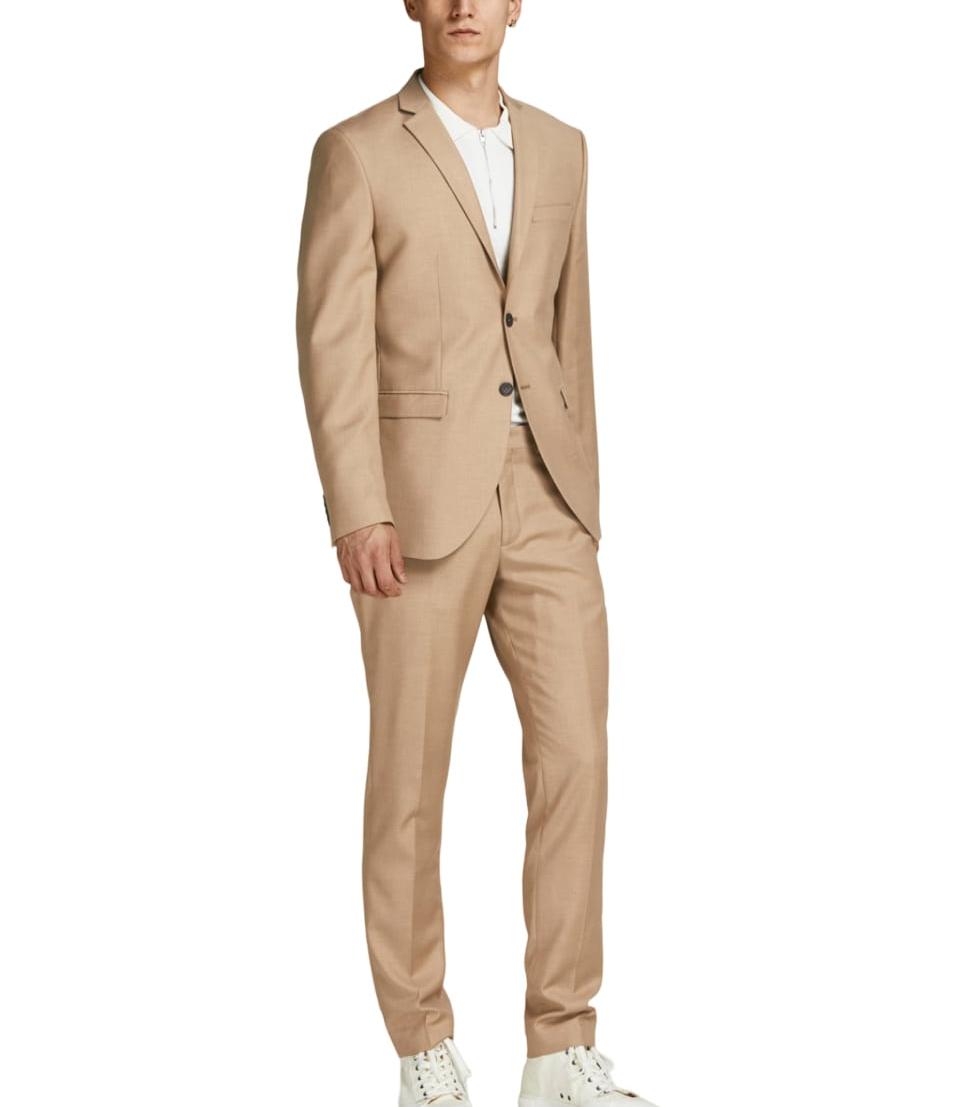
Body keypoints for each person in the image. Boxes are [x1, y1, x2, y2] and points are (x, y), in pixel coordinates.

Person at [296, 3, 658, 1105]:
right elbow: (329, 341)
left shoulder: (564, 148)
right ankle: (423, 1045)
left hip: (547, 488)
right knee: (411, 772)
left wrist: (584, 491)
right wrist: (358, 506)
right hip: (412, 505)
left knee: (577, 759)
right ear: (411, 3)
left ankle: (559, 1050)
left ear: (516, 5)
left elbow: (567, 329)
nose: (463, 5)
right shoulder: (357, 151)